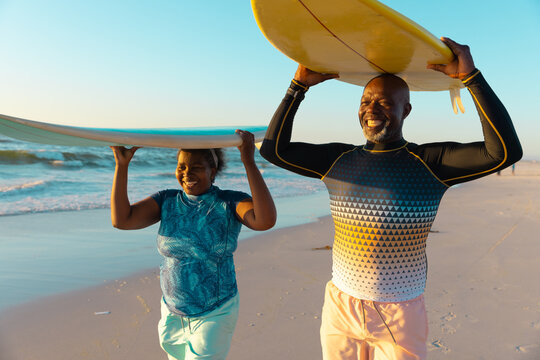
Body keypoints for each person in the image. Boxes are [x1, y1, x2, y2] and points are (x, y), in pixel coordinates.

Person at [260, 37, 522, 360]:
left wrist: (471, 78)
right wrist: (297, 87)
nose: (371, 109)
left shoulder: (430, 164)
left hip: (400, 314)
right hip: (341, 308)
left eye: (384, 102)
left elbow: (505, 151)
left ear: (406, 109)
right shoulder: (337, 161)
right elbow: (273, 150)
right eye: (366, 100)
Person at [111, 129, 276, 360]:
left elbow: (265, 221)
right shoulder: (166, 200)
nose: (187, 173)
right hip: (172, 313)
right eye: (181, 167)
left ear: (213, 170)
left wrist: (248, 161)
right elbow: (123, 220)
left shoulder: (230, 201)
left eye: (196, 167)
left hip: (216, 311)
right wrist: (122, 165)